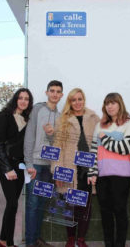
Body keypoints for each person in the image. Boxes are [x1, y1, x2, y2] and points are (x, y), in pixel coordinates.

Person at [51, 88, 100, 247]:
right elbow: (56, 147)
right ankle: (71, 238)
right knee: (70, 205)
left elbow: (100, 144)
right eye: (74, 100)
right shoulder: (62, 120)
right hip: (68, 168)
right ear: (69, 102)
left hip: (88, 169)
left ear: (84, 100)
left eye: (80, 99)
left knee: (85, 205)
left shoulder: (94, 118)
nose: (77, 102)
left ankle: (81, 239)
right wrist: (57, 171)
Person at [88, 93, 130, 247]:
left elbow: (126, 148)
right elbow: (93, 152)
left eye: (113, 103)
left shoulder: (129, 123)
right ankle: (109, 244)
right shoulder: (100, 125)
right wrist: (92, 172)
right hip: (103, 176)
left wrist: (106, 138)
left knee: (120, 211)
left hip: (122, 175)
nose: (110, 106)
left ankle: (120, 244)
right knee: (105, 212)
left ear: (119, 104)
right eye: (107, 103)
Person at [24, 80, 63, 247]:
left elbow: (58, 142)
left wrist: (52, 135)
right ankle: (30, 242)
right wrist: (29, 163)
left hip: (49, 167)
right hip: (35, 165)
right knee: (32, 204)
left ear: (61, 95)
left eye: (58, 91)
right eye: (52, 91)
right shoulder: (37, 109)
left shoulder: (61, 116)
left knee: (41, 204)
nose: (54, 94)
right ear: (46, 92)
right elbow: (29, 136)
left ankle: (37, 238)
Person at [0, 88, 34, 247]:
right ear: (15, 99)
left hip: (20, 166)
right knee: (12, 203)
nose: (23, 101)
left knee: (14, 204)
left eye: (27, 99)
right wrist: (7, 168)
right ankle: (2, 241)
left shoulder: (27, 119)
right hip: (6, 165)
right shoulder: (4, 115)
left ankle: (9, 242)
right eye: (20, 98)